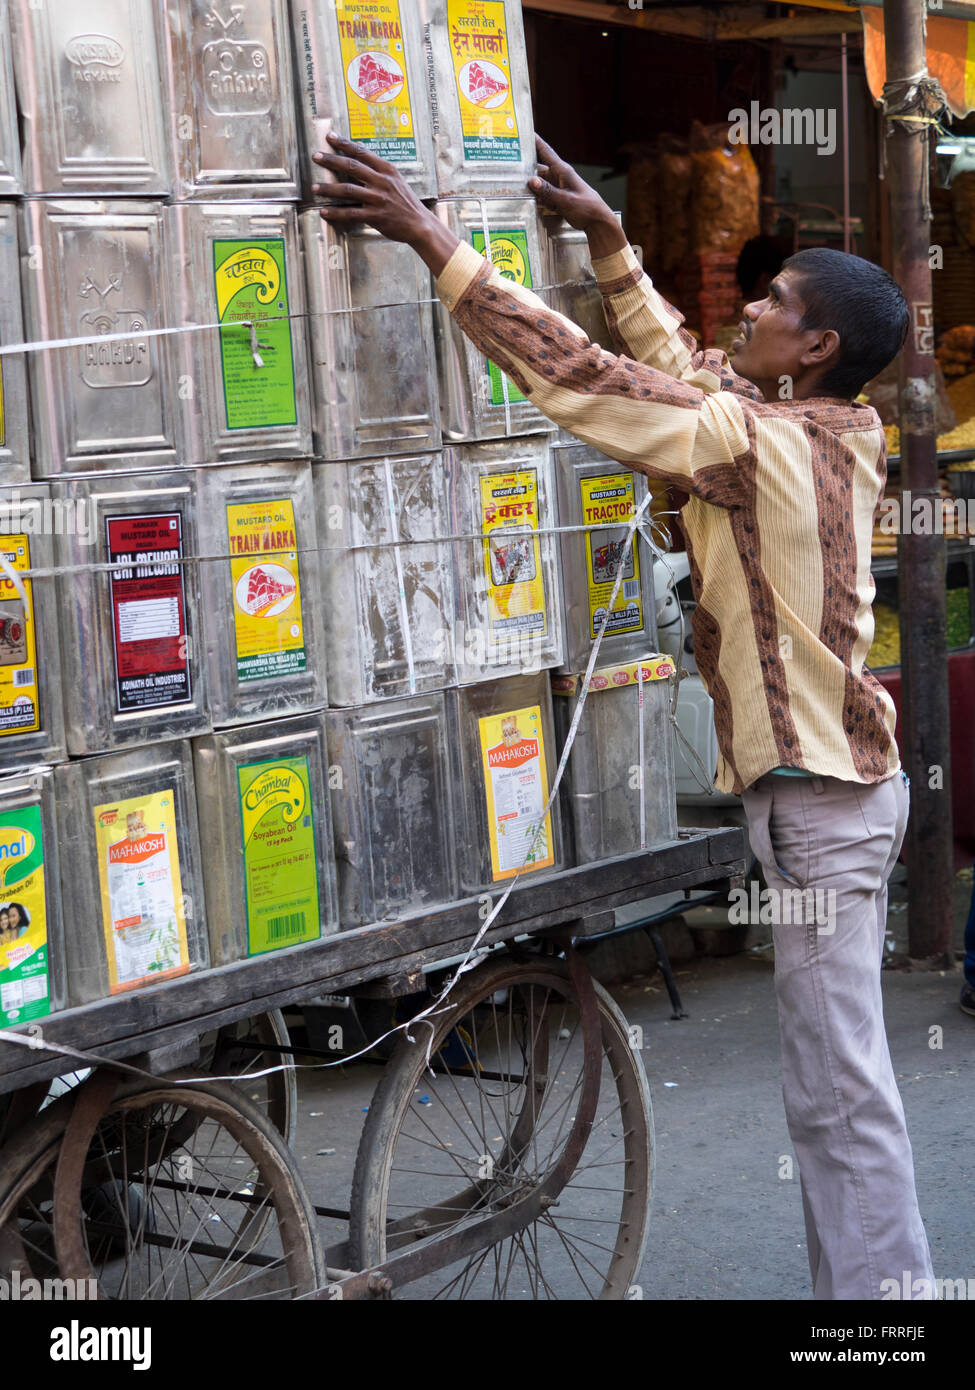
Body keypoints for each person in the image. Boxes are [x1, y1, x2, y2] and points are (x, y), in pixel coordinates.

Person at [311, 130, 934, 1301]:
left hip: (823, 809)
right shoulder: (829, 429)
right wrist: (609, 244)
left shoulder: (757, 444)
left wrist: (433, 243)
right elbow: (688, 374)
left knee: (841, 1090)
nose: (753, 304)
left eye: (776, 301)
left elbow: (597, 384)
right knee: (831, 1082)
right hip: (839, 798)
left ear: (816, 347)